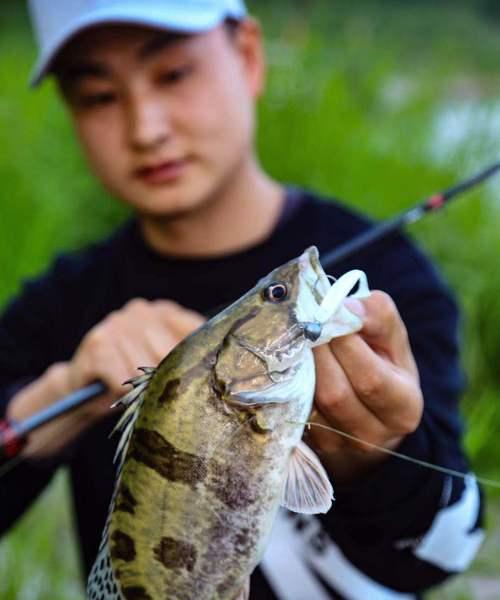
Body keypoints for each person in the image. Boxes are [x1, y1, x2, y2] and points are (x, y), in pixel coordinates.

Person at [0, 1, 484, 598]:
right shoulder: (65, 302)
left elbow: (445, 552)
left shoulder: (394, 276)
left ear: (249, 57)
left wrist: (380, 458)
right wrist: (58, 397)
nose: (145, 127)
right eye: (99, 96)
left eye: (173, 74)